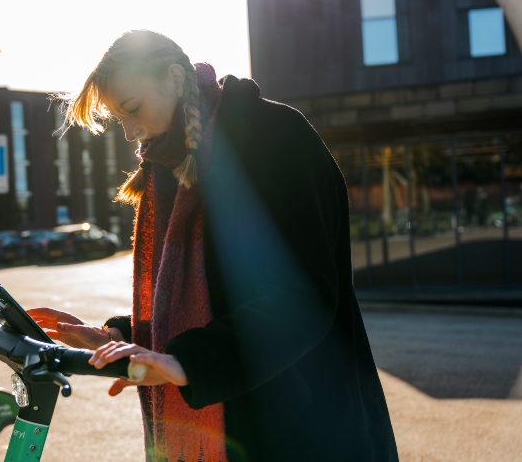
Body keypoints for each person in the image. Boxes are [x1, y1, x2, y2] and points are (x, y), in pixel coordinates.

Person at [28, 30, 398, 461]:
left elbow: (302, 299)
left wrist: (192, 363)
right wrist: (123, 334)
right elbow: (200, 297)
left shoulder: (276, 139)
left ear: (173, 77)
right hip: (235, 428)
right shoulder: (171, 163)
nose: (129, 133)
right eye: (119, 119)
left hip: (310, 425)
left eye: (132, 110)